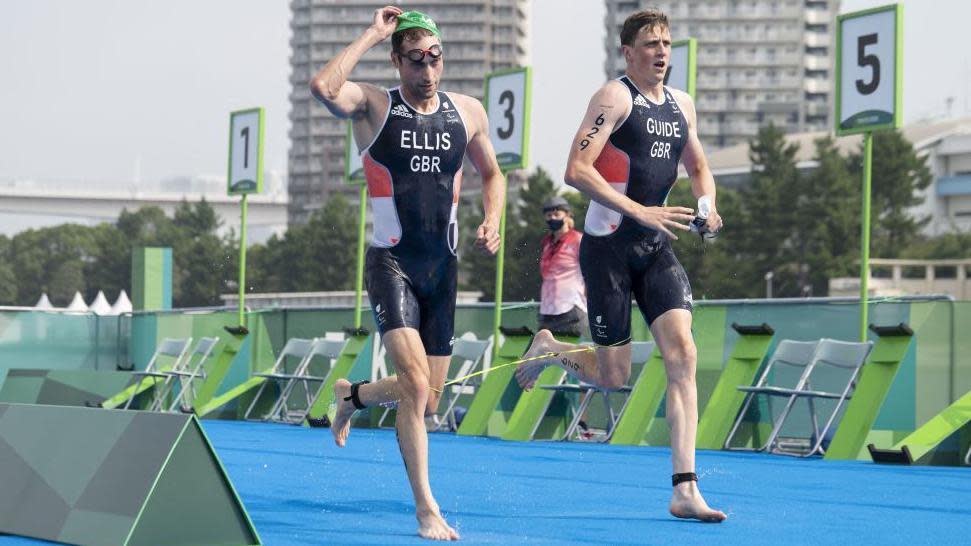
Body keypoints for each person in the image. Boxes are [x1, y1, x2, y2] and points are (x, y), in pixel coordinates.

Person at [514, 8, 727, 523]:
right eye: (651, 44)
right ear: (629, 53)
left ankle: (684, 487)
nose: (661, 53)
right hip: (608, 248)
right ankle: (550, 347)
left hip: (656, 249)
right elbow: (576, 169)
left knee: (684, 354)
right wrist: (642, 211)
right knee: (612, 375)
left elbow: (698, 167)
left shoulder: (682, 105)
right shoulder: (614, 97)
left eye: (667, 44)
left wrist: (707, 207)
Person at [311, 6, 504, 541]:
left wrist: (493, 217)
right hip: (391, 264)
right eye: (416, 60)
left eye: (434, 58)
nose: (427, 70)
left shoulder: (467, 112)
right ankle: (426, 510)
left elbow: (493, 174)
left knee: (430, 398)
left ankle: (354, 397)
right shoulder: (374, 106)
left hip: (442, 268)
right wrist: (374, 33)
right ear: (398, 62)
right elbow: (325, 86)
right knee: (416, 387)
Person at [537, 195, 586, 338]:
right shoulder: (546, 243)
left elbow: (591, 273)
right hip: (547, 309)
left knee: (566, 356)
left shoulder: (578, 240)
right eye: (549, 215)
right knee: (545, 356)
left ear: (567, 215)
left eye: (557, 214)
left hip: (570, 307)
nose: (552, 218)